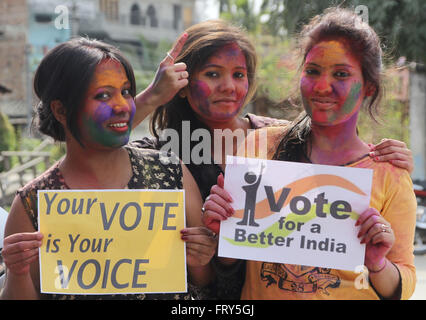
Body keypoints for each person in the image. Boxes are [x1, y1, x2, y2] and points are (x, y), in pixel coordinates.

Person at [130, 19, 415, 299]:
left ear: (369, 87)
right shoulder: (166, 155)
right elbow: (104, 148)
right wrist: (152, 96)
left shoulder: (268, 136)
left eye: (239, 75)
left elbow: (333, 132)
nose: (229, 86)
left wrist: (385, 166)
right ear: (182, 82)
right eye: (213, 74)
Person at [0, 38, 216, 300]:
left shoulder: (169, 172)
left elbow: (205, 281)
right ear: (60, 110)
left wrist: (200, 257)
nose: (123, 106)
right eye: (103, 95)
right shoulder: (32, 204)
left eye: (125, 91)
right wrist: (18, 271)